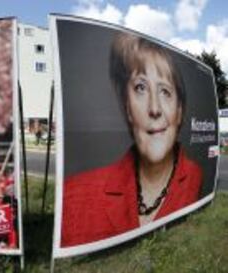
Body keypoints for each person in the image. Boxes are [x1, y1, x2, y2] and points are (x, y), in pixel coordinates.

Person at [61, 33, 203, 247]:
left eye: (165, 92)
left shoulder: (195, 176)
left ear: (180, 111)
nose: (154, 109)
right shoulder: (73, 196)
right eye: (141, 88)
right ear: (127, 107)